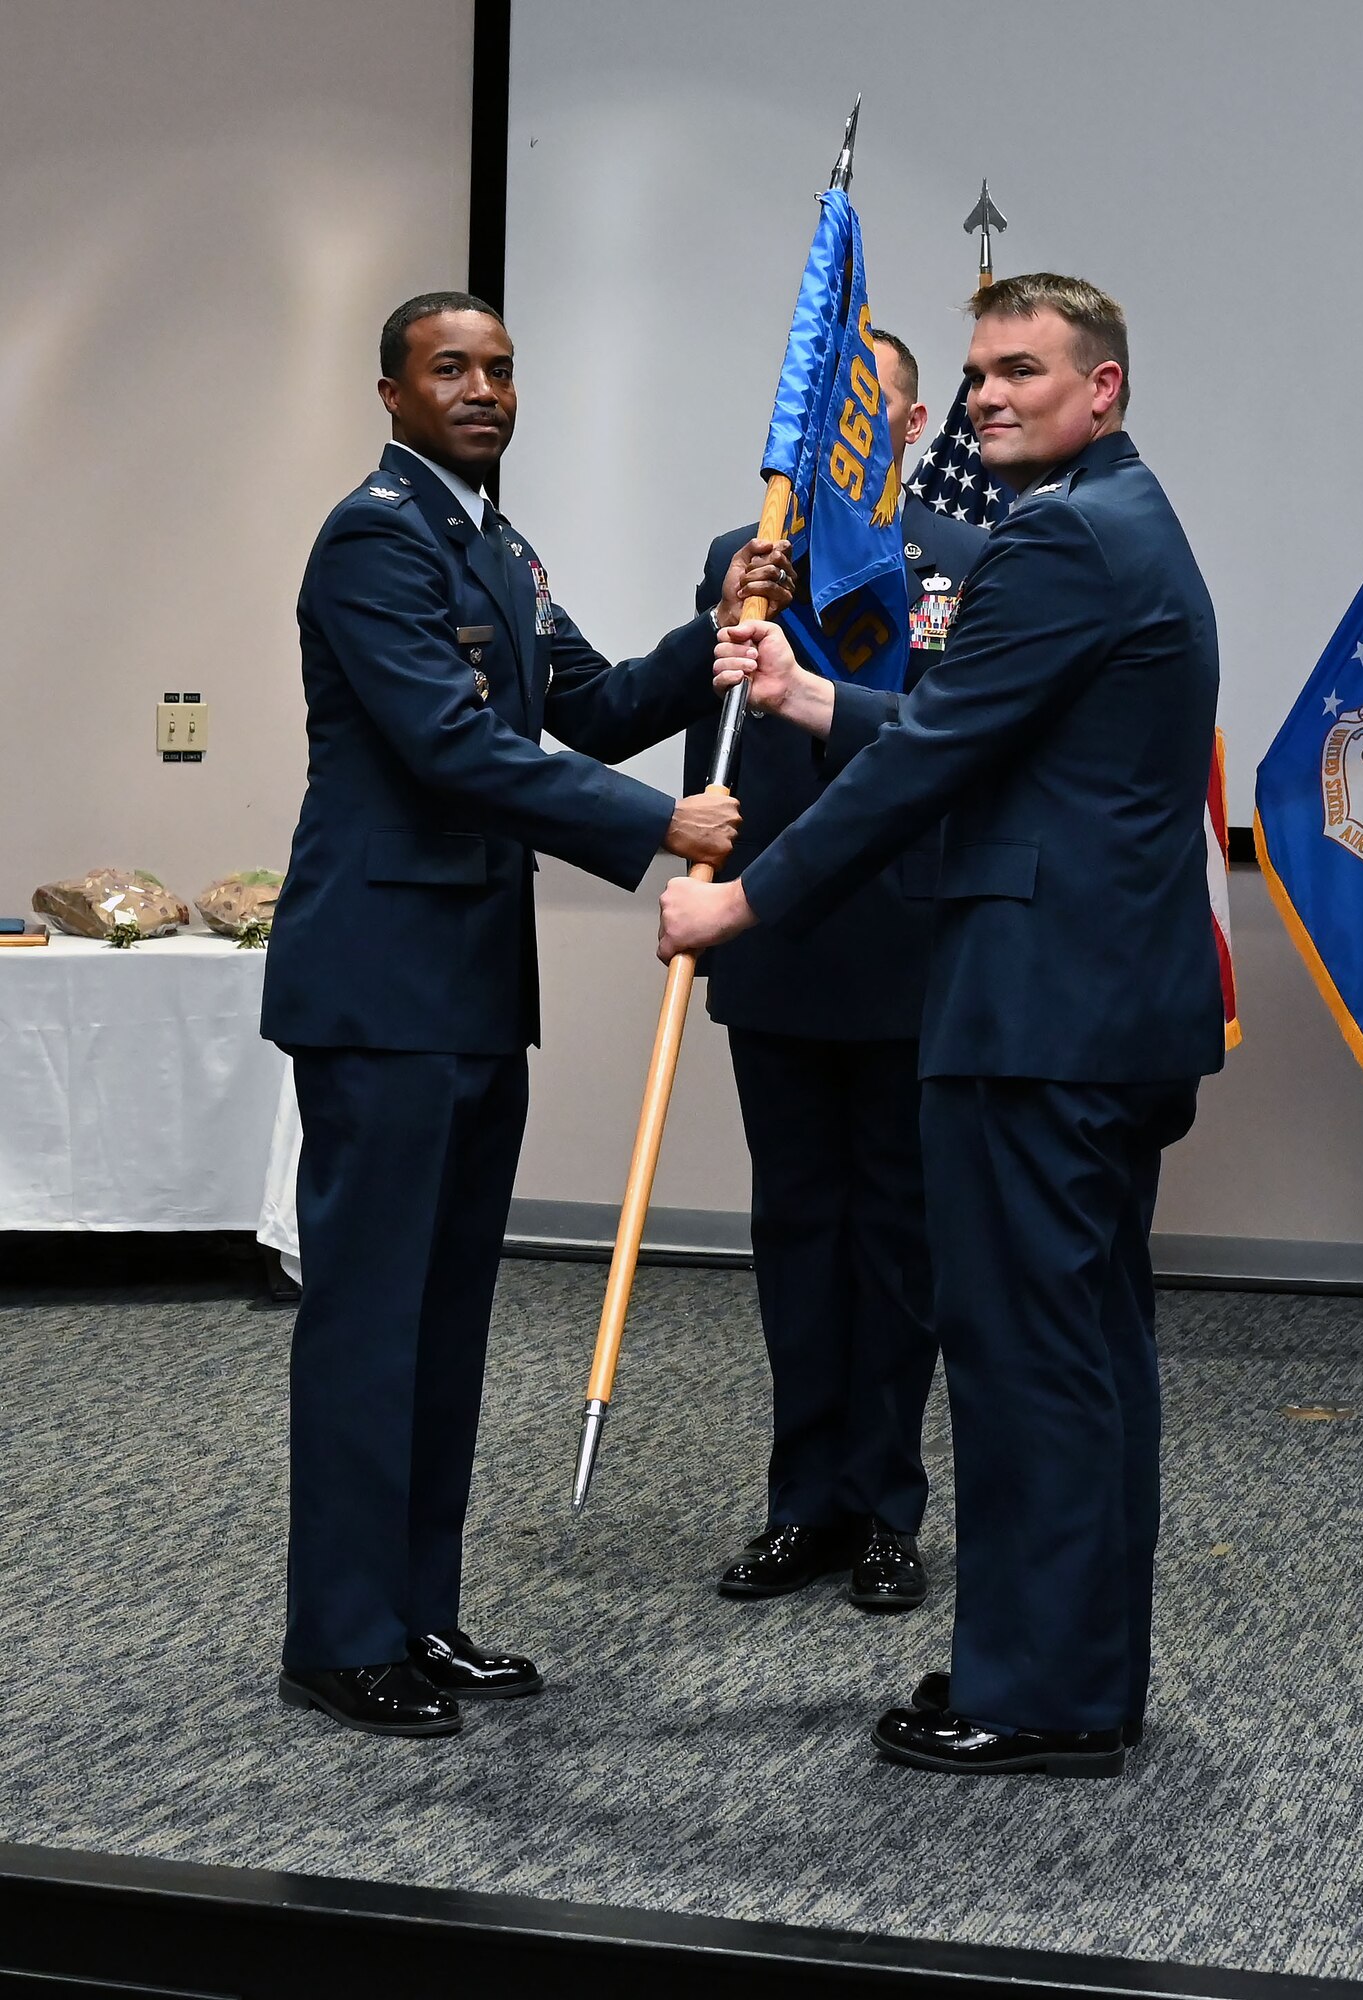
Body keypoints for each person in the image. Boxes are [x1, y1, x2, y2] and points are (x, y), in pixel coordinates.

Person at [658, 274, 1225, 1777]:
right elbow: (961, 727)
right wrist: (802, 701)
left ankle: (1035, 1698)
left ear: (1100, 389)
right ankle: (1071, 1676)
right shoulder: (1121, 522)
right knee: (1085, 1358)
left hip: (1043, 1017)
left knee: (1033, 1364)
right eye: (977, 373)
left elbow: (934, 771)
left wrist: (741, 907)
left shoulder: (1057, 538)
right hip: (1096, 1011)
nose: (988, 396)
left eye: (1022, 370)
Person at [260, 291, 791, 1738]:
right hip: (380, 985)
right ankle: (339, 1634)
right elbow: (446, 747)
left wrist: (718, 622)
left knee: (443, 1322)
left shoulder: (495, 543)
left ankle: (416, 1615)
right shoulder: (374, 536)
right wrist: (661, 829)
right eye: (452, 369)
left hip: (473, 989)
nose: (485, 389)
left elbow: (595, 702)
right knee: (372, 1322)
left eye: (500, 368)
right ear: (391, 392)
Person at [686, 331, 984, 1611]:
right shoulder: (742, 559)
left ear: (911, 425)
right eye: (826, 402)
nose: (846, 423)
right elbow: (717, 740)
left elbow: (951, 748)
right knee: (797, 1233)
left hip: (904, 939)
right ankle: (800, 1502)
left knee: (898, 1242)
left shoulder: (965, 563)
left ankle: (885, 1508)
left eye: (871, 405)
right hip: (777, 944)